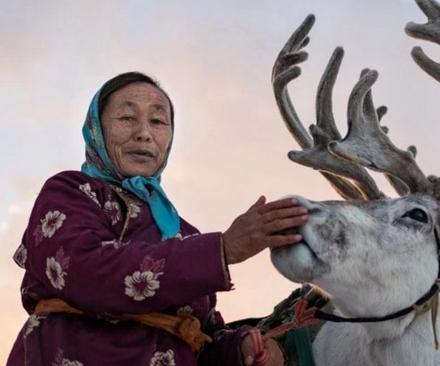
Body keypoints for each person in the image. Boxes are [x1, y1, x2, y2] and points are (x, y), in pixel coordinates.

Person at [7, 72, 307, 366]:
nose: (144, 133)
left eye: (158, 121)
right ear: (96, 128)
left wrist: (241, 348)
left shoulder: (182, 232)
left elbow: (201, 336)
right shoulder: (71, 192)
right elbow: (85, 272)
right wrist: (222, 250)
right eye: (127, 118)